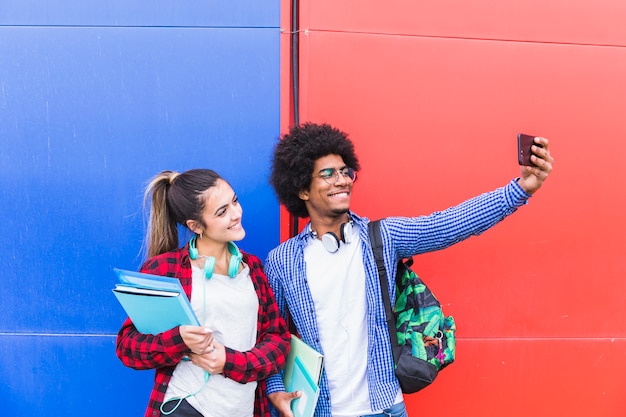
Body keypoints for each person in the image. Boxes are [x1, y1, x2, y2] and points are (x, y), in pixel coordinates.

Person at [264, 123, 554, 417]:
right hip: (321, 411)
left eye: (345, 172)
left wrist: (520, 189)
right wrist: (275, 389)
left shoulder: (382, 237)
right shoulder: (282, 262)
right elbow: (271, 335)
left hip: (385, 408)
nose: (341, 181)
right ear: (301, 189)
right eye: (328, 174)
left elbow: (448, 225)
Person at [116, 169, 291, 417]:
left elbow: (278, 341)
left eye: (235, 201)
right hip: (186, 407)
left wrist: (228, 362)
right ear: (195, 226)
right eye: (222, 212)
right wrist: (179, 339)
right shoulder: (165, 269)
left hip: (244, 409)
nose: (236, 214)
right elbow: (128, 347)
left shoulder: (253, 270)